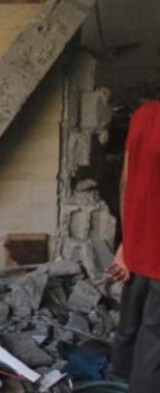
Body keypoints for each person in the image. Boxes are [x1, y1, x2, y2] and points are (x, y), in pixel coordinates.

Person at [108, 99, 160, 388]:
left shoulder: (144, 114)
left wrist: (126, 244)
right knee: (154, 344)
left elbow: (126, 183)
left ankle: (116, 384)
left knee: (129, 329)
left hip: (138, 249)